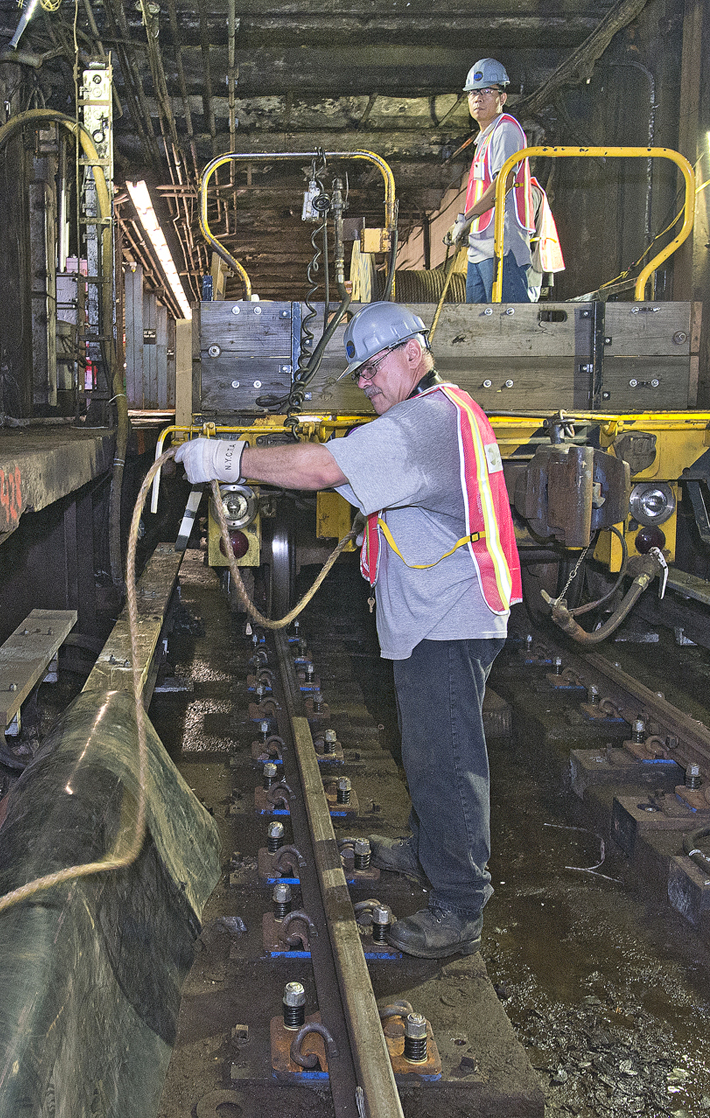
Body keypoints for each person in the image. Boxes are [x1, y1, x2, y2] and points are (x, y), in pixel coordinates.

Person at [174, 303, 522, 958]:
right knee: (427, 746)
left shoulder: (423, 422)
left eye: (373, 365)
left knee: (447, 758)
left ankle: (459, 906)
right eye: (358, 371)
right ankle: (426, 849)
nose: (364, 380)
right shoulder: (441, 409)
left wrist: (228, 459)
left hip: (450, 615)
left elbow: (321, 470)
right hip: (439, 610)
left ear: (413, 353)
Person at [446, 58, 535, 304]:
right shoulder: (484, 138)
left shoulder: (505, 130)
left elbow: (503, 183)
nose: (478, 98)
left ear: (502, 98)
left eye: (487, 91)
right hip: (481, 247)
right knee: (480, 325)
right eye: (473, 93)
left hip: (501, 244)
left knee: (509, 321)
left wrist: (467, 218)